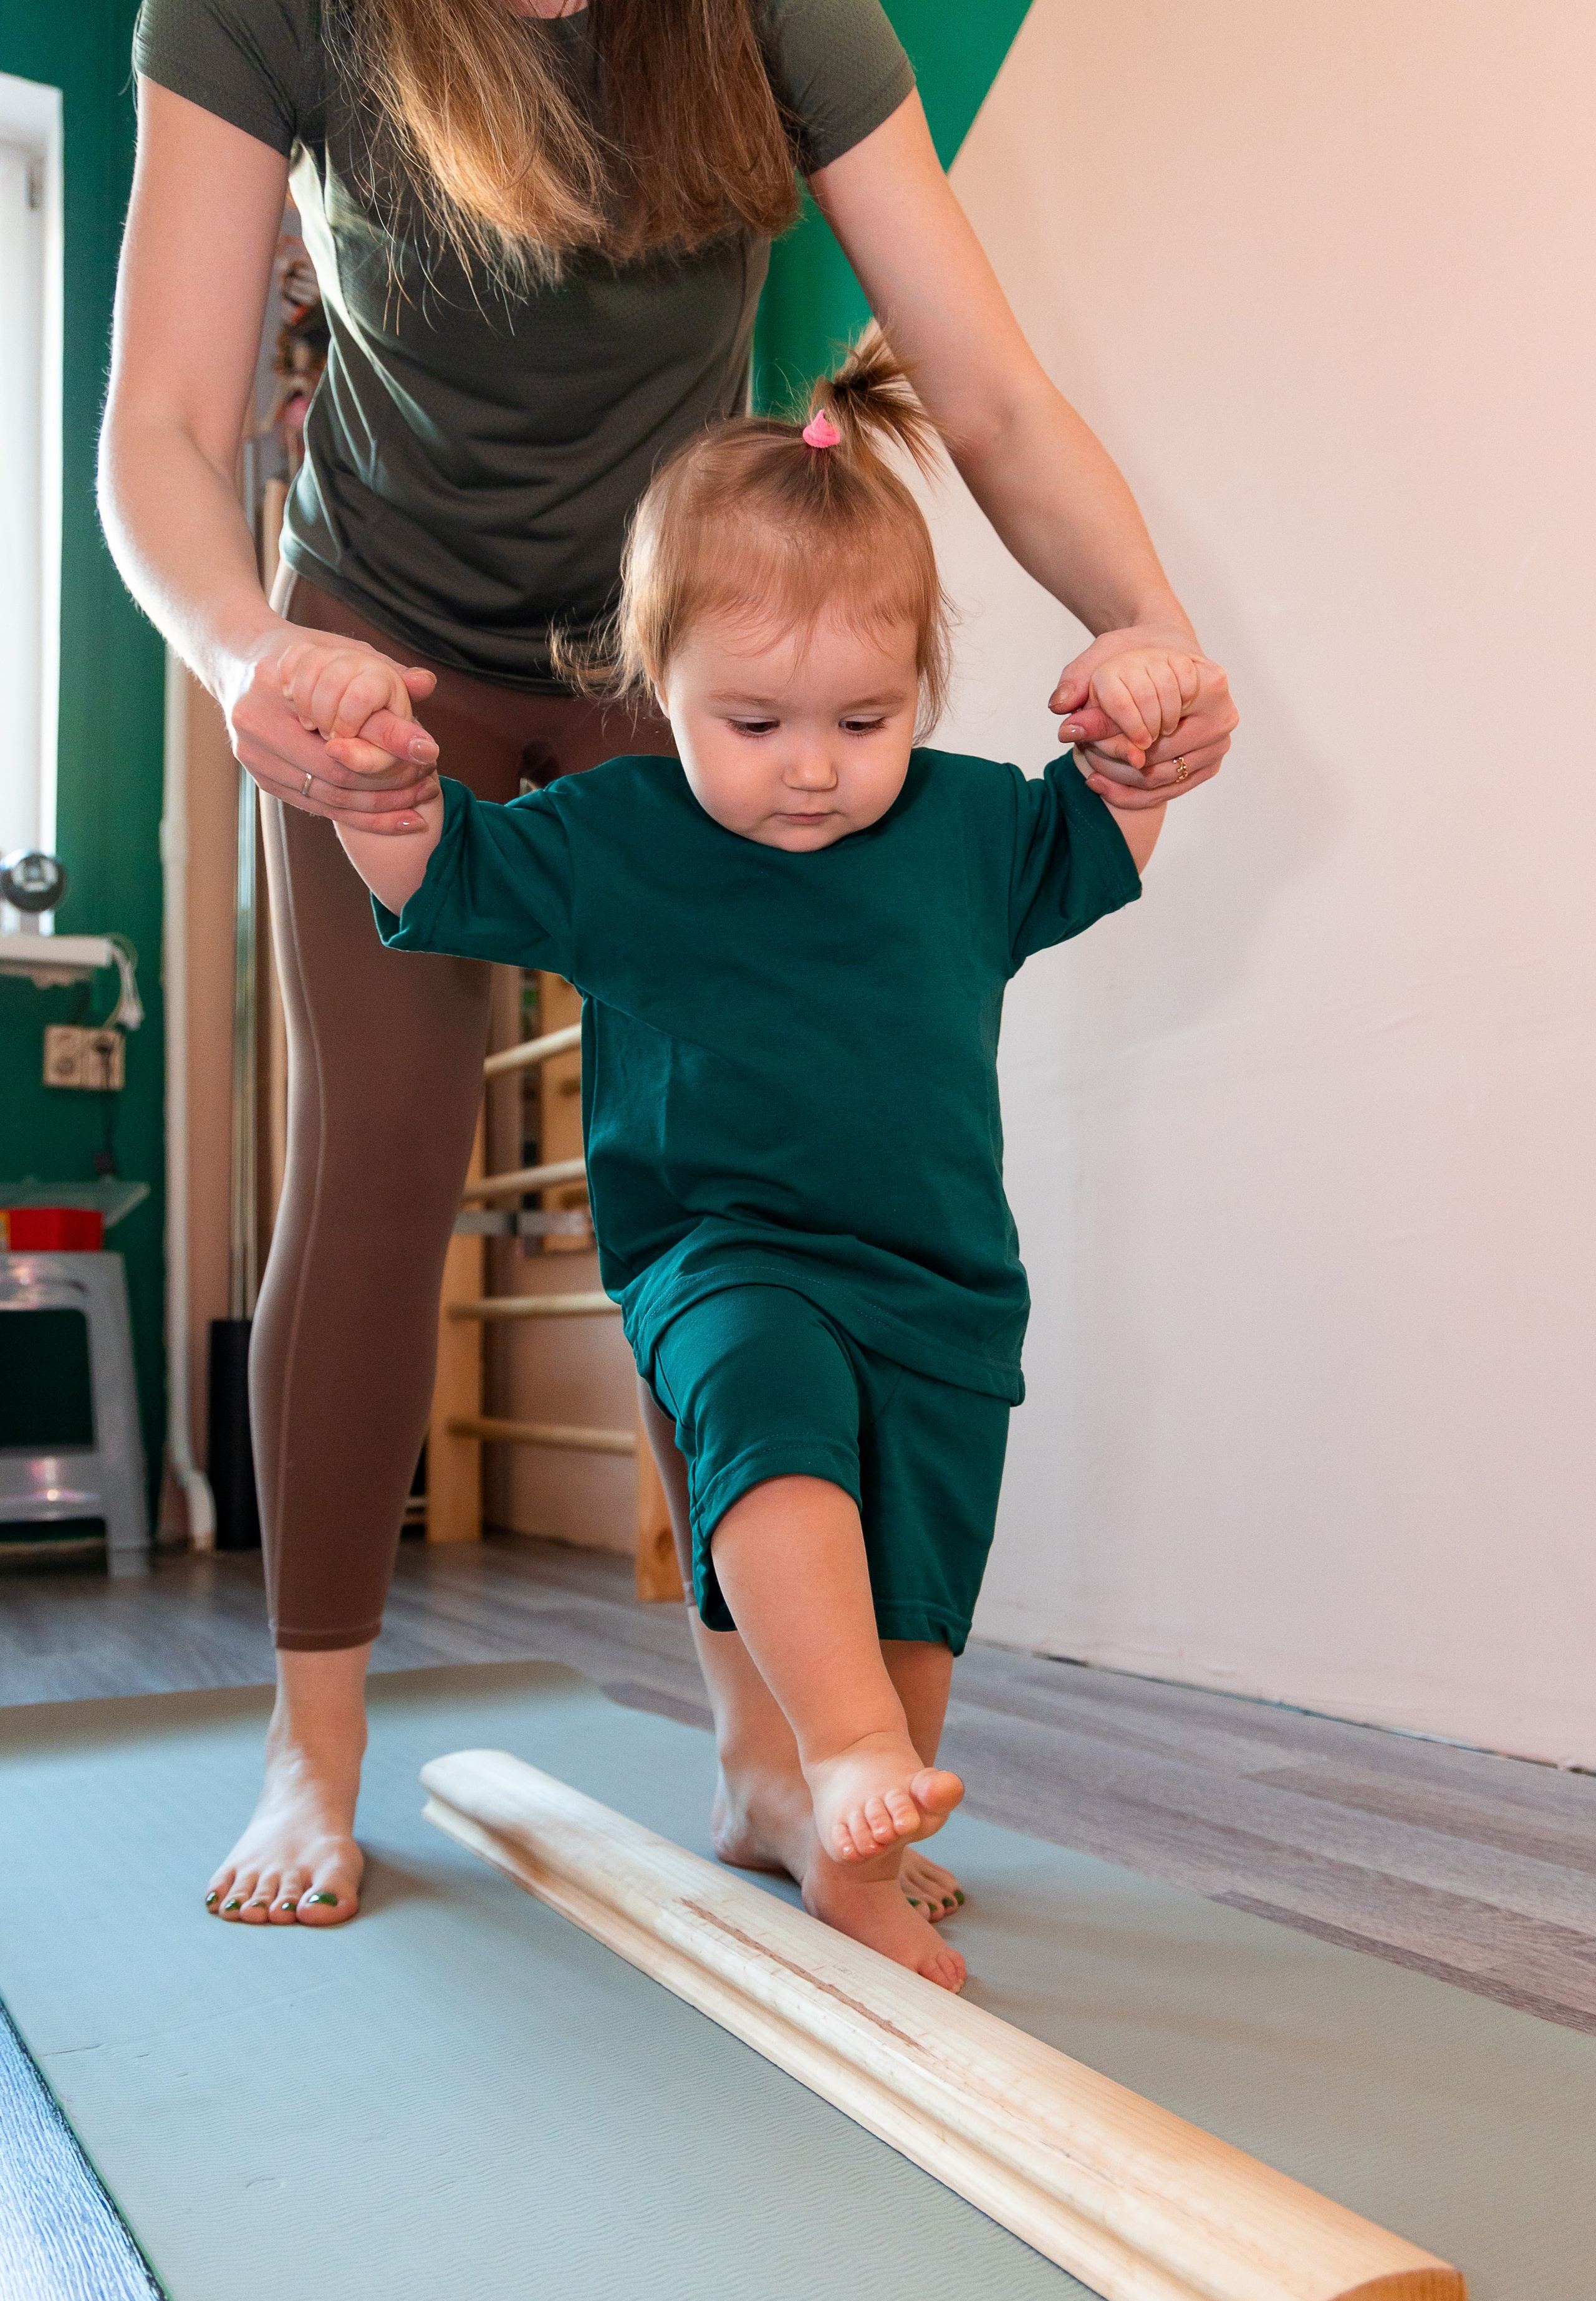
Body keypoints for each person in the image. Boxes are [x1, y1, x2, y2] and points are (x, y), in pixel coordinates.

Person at [101, 0, 1236, 1929]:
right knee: (380, 1153)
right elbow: (169, 430)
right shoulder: (261, 9)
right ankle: (315, 1744)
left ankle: (769, 1760)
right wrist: (243, 658)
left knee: (740, 1193)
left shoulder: (784, 13)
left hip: (675, 653)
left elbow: (994, 399)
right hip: (379, 650)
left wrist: (1150, 638)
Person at [328, 339, 1183, 1986]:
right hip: (719, 1251)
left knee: (915, 1595)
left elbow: (1111, 824)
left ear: (923, 687)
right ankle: (836, 1764)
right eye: (757, 719)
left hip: (939, 1279)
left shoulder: (967, 829)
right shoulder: (621, 837)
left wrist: (1143, 718)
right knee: (775, 1435)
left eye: (866, 718)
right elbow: (442, 872)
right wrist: (382, 788)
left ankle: (837, 1815)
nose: (813, 763)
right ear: (660, 683)